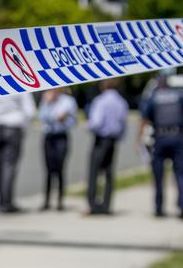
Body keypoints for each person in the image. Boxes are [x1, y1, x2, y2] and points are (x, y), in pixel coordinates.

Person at [140, 75, 183, 220]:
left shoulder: (153, 98)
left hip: (160, 138)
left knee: (158, 176)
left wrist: (139, 139)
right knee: (181, 174)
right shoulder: (179, 96)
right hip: (178, 138)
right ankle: (182, 206)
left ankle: (159, 208)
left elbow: (145, 119)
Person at [0, 93, 36, 213]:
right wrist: (24, 127)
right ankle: (5, 203)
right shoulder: (18, 82)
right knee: (8, 167)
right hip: (12, 126)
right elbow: (30, 111)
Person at [86, 79, 129, 215]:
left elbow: (96, 122)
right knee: (109, 174)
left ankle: (93, 205)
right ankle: (106, 205)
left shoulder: (100, 101)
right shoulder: (121, 102)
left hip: (101, 139)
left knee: (94, 172)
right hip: (113, 140)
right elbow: (123, 124)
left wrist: (88, 126)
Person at [38, 88, 78, 211]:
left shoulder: (68, 101)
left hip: (61, 136)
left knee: (60, 169)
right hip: (49, 136)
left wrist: (64, 119)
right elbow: (42, 117)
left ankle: (60, 201)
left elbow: (73, 120)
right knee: (49, 169)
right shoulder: (46, 98)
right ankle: (46, 200)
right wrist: (49, 103)